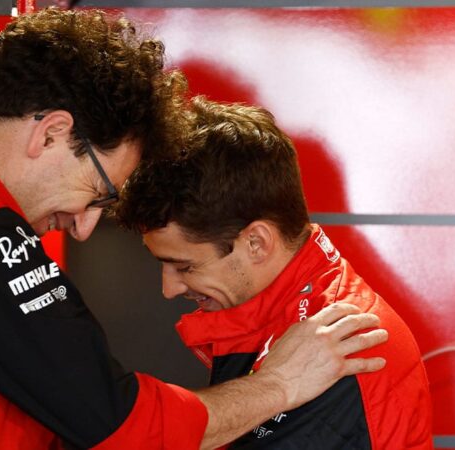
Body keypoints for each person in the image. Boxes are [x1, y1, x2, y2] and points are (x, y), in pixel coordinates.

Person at [0, 9, 388, 449]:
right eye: (99, 193)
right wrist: (280, 383)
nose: (88, 226)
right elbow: (120, 425)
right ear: (51, 132)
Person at [115, 97, 433, 449]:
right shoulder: (280, 310)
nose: (169, 289)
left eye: (185, 266)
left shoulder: (340, 348)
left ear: (256, 242)